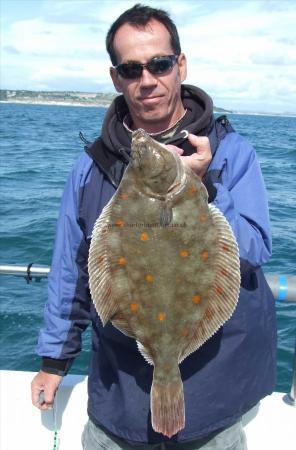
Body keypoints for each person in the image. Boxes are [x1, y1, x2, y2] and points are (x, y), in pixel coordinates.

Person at [31, 4, 277, 450]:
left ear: (180, 65)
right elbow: (72, 267)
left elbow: (256, 249)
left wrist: (203, 190)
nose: (147, 80)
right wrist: (54, 359)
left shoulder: (231, 152)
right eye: (131, 69)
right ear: (116, 78)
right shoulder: (92, 168)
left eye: (160, 64)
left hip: (216, 392)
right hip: (118, 392)